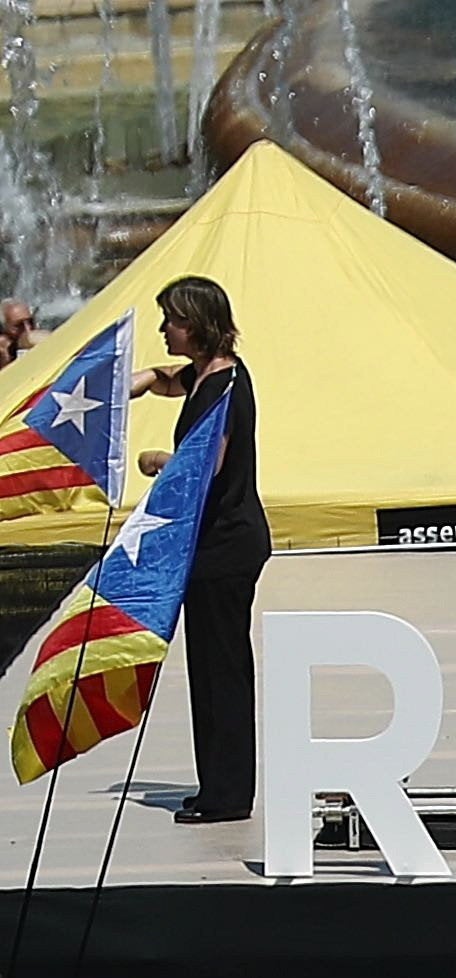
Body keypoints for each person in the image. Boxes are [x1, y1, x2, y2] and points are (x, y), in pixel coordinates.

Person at [143, 277, 264, 827]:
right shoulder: (210, 374)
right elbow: (172, 380)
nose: (164, 328)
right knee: (209, 671)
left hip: (226, 546)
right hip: (211, 547)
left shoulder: (223, 390)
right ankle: (215, 781)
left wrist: (156, 462)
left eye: (171, 319)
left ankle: (229, 793)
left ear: (197, 323)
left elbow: (206, 468)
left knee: (223, 671)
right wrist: (141, 379)